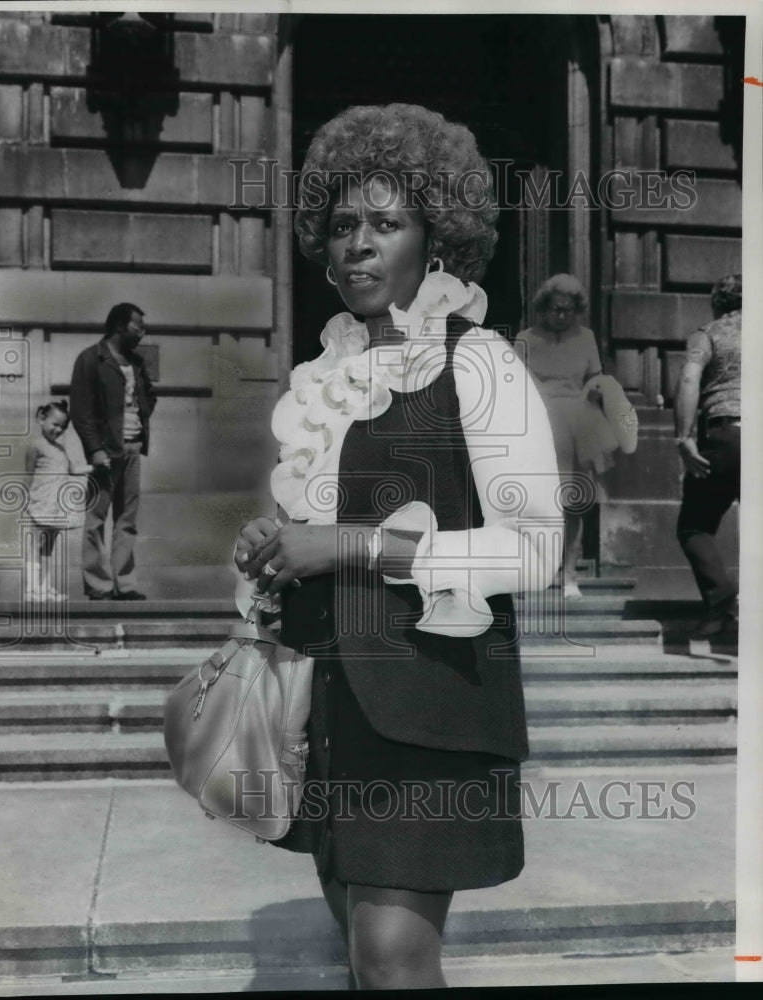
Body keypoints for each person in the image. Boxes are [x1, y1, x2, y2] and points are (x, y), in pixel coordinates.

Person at [234, 104, 562, 991]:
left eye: (386, 223)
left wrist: (344, 545)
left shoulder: (480, 363)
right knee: (356, 942)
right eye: (342, 225)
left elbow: (536, 552)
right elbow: (319, 538)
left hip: (431, 709)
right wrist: (276, 547)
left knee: (389, 959)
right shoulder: (325, 379)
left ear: (437, 241)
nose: (358, 245)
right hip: (331, 705)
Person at [517, 275, 612, 600]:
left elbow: (595, 376)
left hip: (579, 425)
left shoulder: (586, 338)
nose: (562, 316)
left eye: (569, 311)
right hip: (539, 426)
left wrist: (597, 387)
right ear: (544, 308)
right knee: (537, 504)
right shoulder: (525, 339)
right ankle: (536, 571)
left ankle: (569, 575)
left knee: (575, 503)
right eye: (557, 309)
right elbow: (514, 383)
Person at [69, 302, 156, 600]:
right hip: (105, 451)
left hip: (133, 448)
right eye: (137, 327)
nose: (142, 333)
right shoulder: (90, 359)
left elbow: (147, 397)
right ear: (120, 326)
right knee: (96, 518)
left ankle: (125, 585)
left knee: (127, 521)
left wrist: (142, 411)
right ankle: (98, 585)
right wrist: (94, 449)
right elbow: (81, 411)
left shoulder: (137, 362)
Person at [674, 273, 741, 638]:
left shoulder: (708, 333)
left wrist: (683, 437)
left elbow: (689, 380)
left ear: (718, 302)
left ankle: (721, 605)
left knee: (694, 526)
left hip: (728, 436)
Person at [24, 400, 91, 601]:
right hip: (40, 502)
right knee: (35, 545)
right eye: (55, 424)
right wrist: (26, 501)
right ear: (41, 419)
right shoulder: (36, 445)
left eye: (62, 427)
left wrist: (95, 468)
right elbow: (28, 474)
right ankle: (32, 588)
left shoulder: (61, 449)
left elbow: (73, 470)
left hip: (55, 505)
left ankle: (45, 587)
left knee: (49, 547)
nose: (58, 429)